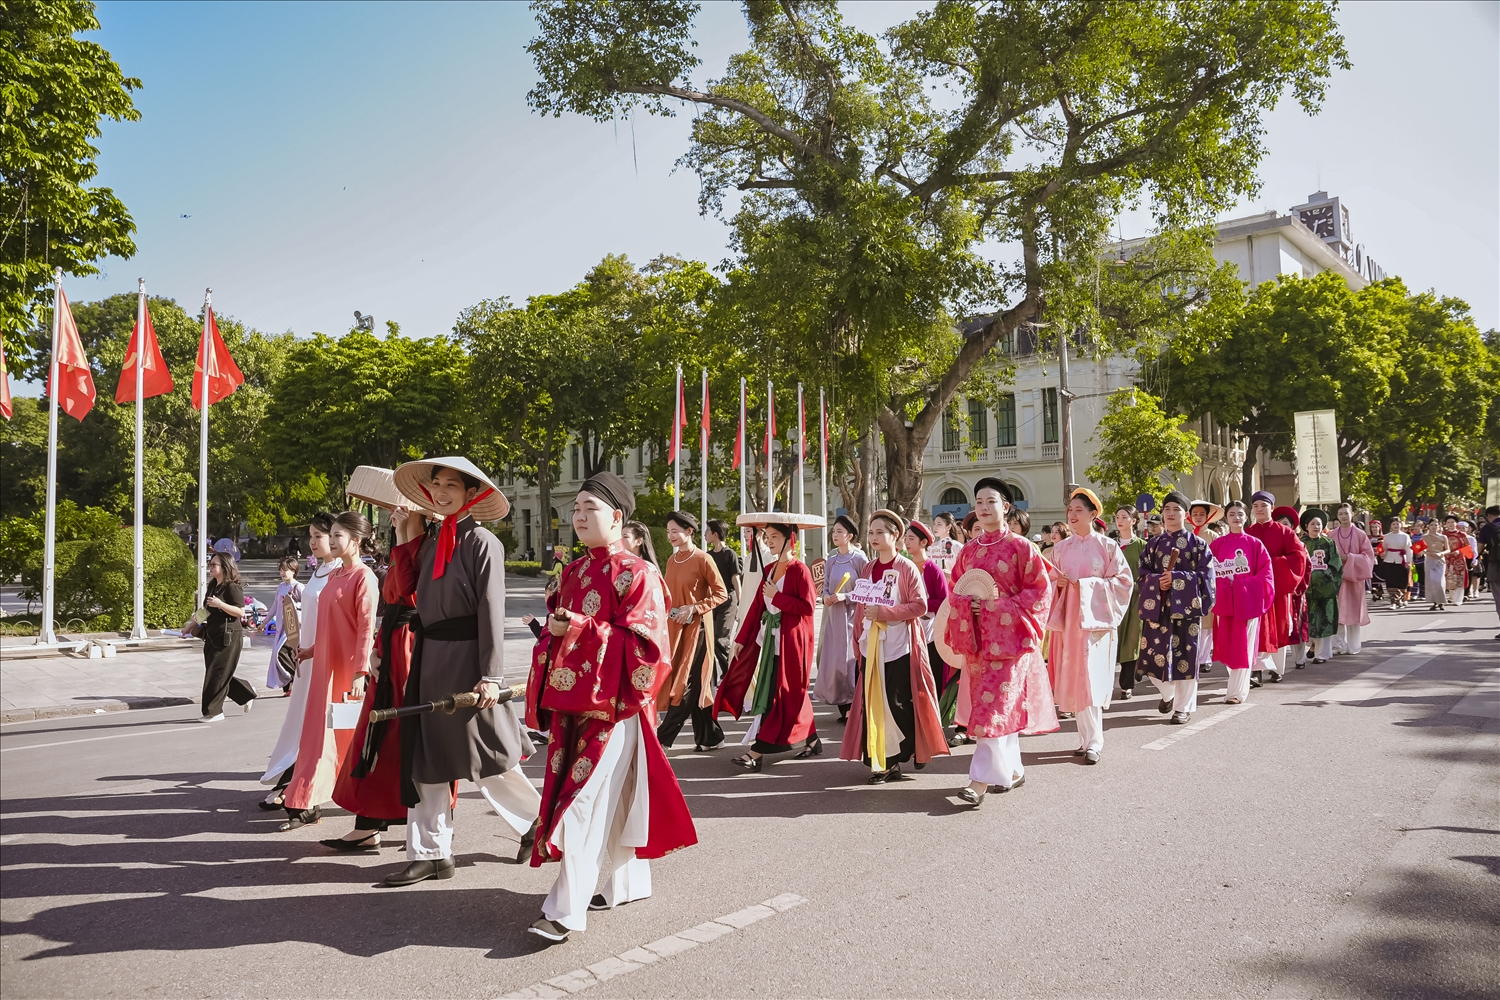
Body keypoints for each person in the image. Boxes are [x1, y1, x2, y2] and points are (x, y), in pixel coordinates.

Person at [525, 472, 696, 943]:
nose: (579, 517)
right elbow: (556, 639)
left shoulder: (639, 574)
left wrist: (576, 628)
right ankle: (628, 882)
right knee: (613, 799)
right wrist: (553, 632)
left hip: (617, 708)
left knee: (584, 800)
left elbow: (647, 648)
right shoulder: (574, 573)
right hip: (575, 704)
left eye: (590, 509)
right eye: (576, 509)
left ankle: (563, 909)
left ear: (618, 517)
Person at [382, 458, 541, 888]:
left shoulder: (483, 542)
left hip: (470, 662)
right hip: (430, 660)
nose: (442, 491)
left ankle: (537, 823)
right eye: (437, 484)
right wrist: (403, 533)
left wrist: (491, 674)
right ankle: (431, 853)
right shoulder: (431, 540)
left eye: (452, 484)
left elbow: (492, 611)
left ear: (473, 494)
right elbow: (401, 589)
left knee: (487, 757)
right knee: (426, 759)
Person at [943, 479, 1055, 806]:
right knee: (997, 707)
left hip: (1011, 643)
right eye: (978, 501)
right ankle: (1014, 771)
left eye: (990, 501)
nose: (983, 507)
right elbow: (956, 592)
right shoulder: (969, 551)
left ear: (1005, 507)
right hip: (980, 643)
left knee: (991, 710)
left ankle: (978, 782)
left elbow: (1040, 592)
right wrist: (969, 605)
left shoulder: (1022, 547)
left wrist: (995, 606)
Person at [327, 505, 427, 851]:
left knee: (407, 737)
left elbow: (410, 597)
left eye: (405, 512)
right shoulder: (403, 549)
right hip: (392, 646)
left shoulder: (426, 550)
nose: (396, 514)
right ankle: (368, 824)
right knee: (377, 736)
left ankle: (429, 824)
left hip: (411, 649)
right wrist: (375, 650)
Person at [279, 511, 380, 831]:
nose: (332, 541)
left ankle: (342, 798)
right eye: (331, 535)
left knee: (343, 738)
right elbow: (328, 625)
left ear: (357, 540)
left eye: (338, 535)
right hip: (324, 667)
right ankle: (304, 799)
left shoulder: (365, 578)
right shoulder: (334, 576)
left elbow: (366, 629)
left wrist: (361, 672)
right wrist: (310, 650)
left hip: (348, 671)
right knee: (317, 737)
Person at [838, 509, 948, 783]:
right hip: (870, 647)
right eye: (871, 532)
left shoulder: (906, 567)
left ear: (895, 536)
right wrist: (857, 643)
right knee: (873, 703)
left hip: (899, 646)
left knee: (897, 702)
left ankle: (909, 749)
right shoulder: (868, 568)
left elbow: (920, 606)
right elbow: (863, 608)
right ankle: (884, 762)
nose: (874, 537)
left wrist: (886, 613)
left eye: (880, 532)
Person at [716, 513, 825, 768]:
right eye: (768, 537)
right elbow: (756, 608)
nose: (770, 541)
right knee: (787, 691)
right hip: (770, 641)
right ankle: (811, 739)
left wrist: (777, 597)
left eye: (775, 536)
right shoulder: (769, 569)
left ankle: (757, 751)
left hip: (793, 642)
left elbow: (808, 607)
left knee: (784, 693)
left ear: (790, 539)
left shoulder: (800, 570)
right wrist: (742, 638)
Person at [1046, 489, 1134, 756]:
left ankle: (1095, 741)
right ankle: (1086, 740)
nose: (1072, 515)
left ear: (1093, 514)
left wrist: (1085, 586)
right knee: (1075, 679)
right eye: (1070, 511)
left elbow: (1123, 583)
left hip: (1095, 626)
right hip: (1069, 624)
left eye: (1078, 510)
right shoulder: (1059, 549)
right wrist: (1057, 583)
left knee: (1091, 679)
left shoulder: (1108, 547)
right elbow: (1045, 584)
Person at [258, 514, 336, 809]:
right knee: (301, 723)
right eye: (312, 536)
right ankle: (293, 782)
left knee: (321, 726)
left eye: (321, 536)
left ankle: (298, 786)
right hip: (305, 657)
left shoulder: (343, 572)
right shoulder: (318, 572)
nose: (314, 542)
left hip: (326, 658)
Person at [1136, 491, 1214, 724]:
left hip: (1186, 611)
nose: (1170, 514)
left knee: (1185, 658)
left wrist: (1178, 579)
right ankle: (1167, 693)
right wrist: (1156, 581)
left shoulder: (1198, 545)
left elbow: (1207, 578)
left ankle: (1183, 708)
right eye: (1167, 509)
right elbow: (1142, 575)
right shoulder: (1153, 545)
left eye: (1176, 510)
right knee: (1152, 657)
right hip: (1158, 610)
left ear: (1186, 515)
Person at [655, 511, 728, 752]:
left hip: (697, 630)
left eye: (675, 531)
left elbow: (721, 593)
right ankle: (710, 736)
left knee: (684, 683)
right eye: (668, 532)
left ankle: (662, 740)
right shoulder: (672, 560)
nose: (670, 536)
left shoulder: (703, 559)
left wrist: (695, 608)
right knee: (695, 683)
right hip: (675, 628)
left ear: (689, 531)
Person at [1208, 502, 1276, 704]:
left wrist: (1240, 585)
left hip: (1248, 601)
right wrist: (1222, 584)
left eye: (1240, 514)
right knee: (1228, 646)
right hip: (1224, 600)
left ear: (1247, 517)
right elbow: (1207, 571)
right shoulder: (1218, 544)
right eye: (1232, 514)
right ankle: (1236, 683)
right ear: (1226, 518)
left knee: (1243, 647)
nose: (1236, 517)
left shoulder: (1255, 544)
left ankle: (1237, 693)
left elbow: (1266, 575)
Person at [1245, 490, 1307, 686]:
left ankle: (1277, 668)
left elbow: (1299, 558)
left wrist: (1270, 565)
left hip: (1277, 589)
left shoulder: (1285, 532)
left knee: (1279, 628)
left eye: (1263, 505)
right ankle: (1256, 671)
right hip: (1254, 590)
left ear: (1272, 508)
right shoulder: (1248, 533)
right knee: (1256, 629)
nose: (1259, 509)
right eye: (1256, 506)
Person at [813, 514, 867, 722]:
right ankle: (843, 706)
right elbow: (825, 586)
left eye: (840, 531)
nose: (835, 535)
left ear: (850, 535)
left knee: (851, 659)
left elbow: (866, 589)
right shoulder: (832, 560)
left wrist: (846, 596)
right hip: (834, 616)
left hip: (853, 616)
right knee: (835, 660)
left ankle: (856, 703)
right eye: (834, 531)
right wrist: (826, 596)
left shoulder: (859, 559)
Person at [904, 519, 955, 732]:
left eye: (911, 538)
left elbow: (944, 599)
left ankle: (933, 718)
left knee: (931, 672)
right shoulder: (904, 567)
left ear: (924, 542)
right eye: (905, 538)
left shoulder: (932, 569)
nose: (907, 542)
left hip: (930, 630)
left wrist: (919, 607)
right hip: (907, 628)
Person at [196, 552, 256, 722]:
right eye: (210, 564)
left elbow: (240, 612)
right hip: (212, 634)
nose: (211, 567)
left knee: (217, 672)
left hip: (228, 635)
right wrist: (191, 625)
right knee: (216, 672)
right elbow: (206, 610)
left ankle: (214, 712)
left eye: (214, 565)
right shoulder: (213, 585)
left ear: (225, 567)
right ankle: (245, 693)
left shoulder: (232, 587)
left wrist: (220, 604)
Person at [1328, 503, 1375, 654]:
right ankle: (1338, 645)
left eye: (1346, 513)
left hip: (1354, 578)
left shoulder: (1360, 534)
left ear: (1352, 514)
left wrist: (1349, 558)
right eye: (1340, 514)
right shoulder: (1332, 534)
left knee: (1353, 612)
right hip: (1337, 578)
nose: (1343, 516)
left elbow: (1368, 556)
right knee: (1338, 612)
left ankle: (1354, 646)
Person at [1111, 507, 1146, 700]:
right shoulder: (1110, 544)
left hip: (1134, 599)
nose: (1120, 520)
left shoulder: (1142, 545)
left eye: (1124, 517)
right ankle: (1107, 684)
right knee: (1111, 639)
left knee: (1131, 640)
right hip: (1112, 598)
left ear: (1134, 520)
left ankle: (1126, 685)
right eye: (1117, 517)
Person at [1300, 510, 1343, 664]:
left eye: (1318, 524)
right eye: (1312, 524)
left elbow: (1336, 564)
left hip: (1325, 587)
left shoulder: (1329, 543)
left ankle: (1322, 654)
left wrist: (1327, 577)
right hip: (1306, 588)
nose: (1316, 526)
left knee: (1325, 619)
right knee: (1308, 620)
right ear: (1306, 526)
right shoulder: (1301, 543)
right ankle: (1312, 645)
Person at [704, 519, 741, 685]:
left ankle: (729, 674)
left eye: (707, 531)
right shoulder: (708, 556)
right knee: (710, 639)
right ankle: (718, 677)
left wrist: (740, 603)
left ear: (715, 534)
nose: (704, 534)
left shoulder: (729, 554)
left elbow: (735, 579)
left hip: (728, 602)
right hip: (712, 602)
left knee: (721, 639)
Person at [1275, 506, 1311, 669]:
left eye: (1286, 524)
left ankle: (1300, 657)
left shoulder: (1300, 545)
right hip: (1277, 591)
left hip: (1296, 591)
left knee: (1298, 624)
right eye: (1280, 524)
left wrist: (1299, 586)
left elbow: (1307, 567)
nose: (1283, 527)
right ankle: (1276, 664)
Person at [264, 556, 304, 694]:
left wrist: (302, 620)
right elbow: (274, 607)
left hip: (293, 628)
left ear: (294, 571)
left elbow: (308, 606)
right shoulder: (280, 587)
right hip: (281, 627)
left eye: (286, 570)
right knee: (288, 655)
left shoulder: (299, 587)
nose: (283, 573)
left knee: (280, 653)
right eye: (281, 570)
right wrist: (264, 622)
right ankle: (288, 687)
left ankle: (295, 679)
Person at [1379, 518, 1413, 610]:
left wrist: (1409, 561)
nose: (1395, 526)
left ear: (1401, 525)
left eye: (1397, 524)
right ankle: (1393, 601)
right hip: (1389, 560)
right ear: (1391, 526)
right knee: (1391, 580)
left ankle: (1400, 599)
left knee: (1401, 580)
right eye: (1393, 524)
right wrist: (1383, 553)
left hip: (1401, 560)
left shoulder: (1405, 536)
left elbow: (1409, 550)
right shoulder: (1387, 536)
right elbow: (1383, 547)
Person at [1442, 515, 1470, 607]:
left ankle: (1458, 599)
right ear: (1446, 524)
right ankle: (1451, 597)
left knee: (1459, 579)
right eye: (1448, 522)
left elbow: (1468, 547)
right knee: (1448, 578)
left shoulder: (1462, 535)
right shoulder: (1443, 535)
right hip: (1447, 559)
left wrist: (1459, 551)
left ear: (1456, 523)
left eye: (1452, 522)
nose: (1450, 524)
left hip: (1459, 559)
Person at [1422, 520, 1450, 610]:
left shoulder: (1443, 537)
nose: (1433, 527)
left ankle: (1441, 601)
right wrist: (1424, 552)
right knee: (1431, 581)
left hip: (1439, 560)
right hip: (1429, 559)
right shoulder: (1424, 537)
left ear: (1439, 526)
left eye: (1435, 525)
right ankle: (1434, 602)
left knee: (1439, 581)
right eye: (1431, 525)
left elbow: (1448, 550)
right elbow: (1420, 549)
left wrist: (1441, 554)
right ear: (1428, 526)